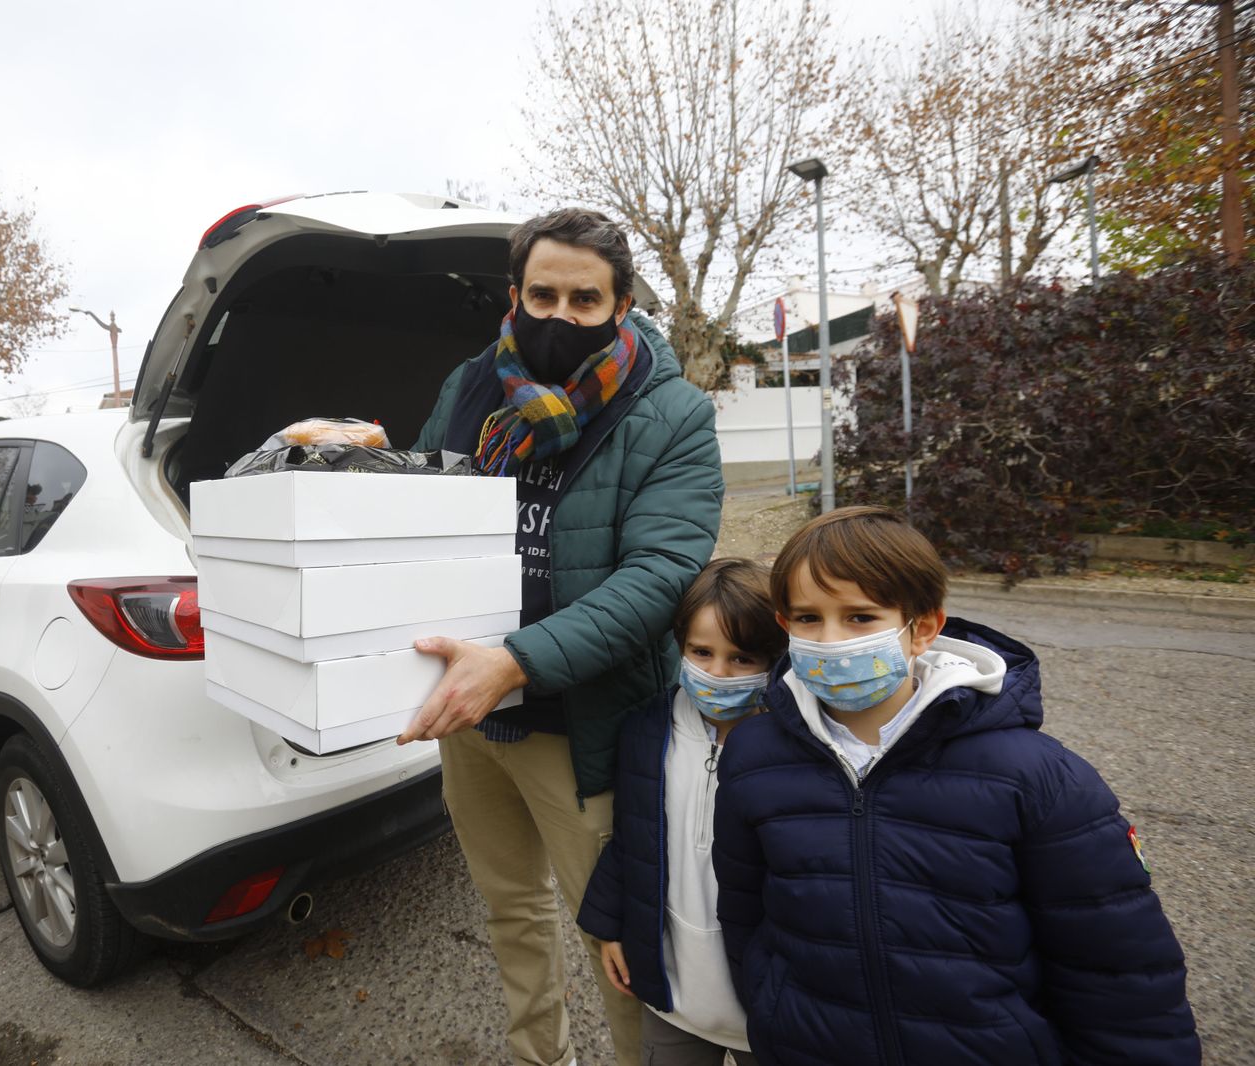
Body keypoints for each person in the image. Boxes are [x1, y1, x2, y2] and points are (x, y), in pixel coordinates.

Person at [400, 207, 725, 1066]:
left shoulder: (674, 415)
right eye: (543, 294)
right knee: (511, 909)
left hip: (582, 730)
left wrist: (515, 663)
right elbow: (419, 508)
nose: (560, 317)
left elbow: (657, 581)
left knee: (614, 944)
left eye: (585, 300)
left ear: (621, 307)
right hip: (474, 719)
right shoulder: (472, 385)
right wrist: (363, 468)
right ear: (515, 294)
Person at [713, 506, 1200, 1065]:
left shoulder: (1035, 776)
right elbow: (747, 912)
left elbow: (1117, 970)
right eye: (807, 618)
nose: (830, 640)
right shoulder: (754, 756)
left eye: (860, 617)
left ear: (922, 628)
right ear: (784, 626)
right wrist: (774, 1014)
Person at [578, 559, 781, 1065]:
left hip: (769, 1007)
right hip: (672, 995)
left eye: (742, 658)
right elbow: (633, 836)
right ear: (680, 646)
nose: (716, 672)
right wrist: (611, 923)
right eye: (702, 652)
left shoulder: (796, 744)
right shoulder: (647, 729)